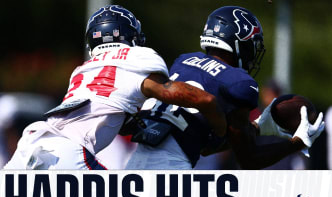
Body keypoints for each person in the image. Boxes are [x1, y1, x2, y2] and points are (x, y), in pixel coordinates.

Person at [4, 5, 226, 170]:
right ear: (131, 36)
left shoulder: (83, 69)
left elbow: (105, 111)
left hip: (30, 145)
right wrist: (217, 120)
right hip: (69, 153)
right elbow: (182, 95)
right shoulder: (137, 56)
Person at [125, 6, 325, 170]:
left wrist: (256, 127)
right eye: (251, 46)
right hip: (172, 169)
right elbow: (249, 160)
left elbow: (207, 146)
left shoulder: (183, 61)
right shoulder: (237, 82)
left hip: (134, 164)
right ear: (239, 44)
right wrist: (297, 142)